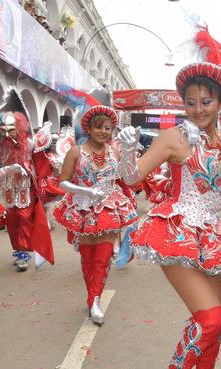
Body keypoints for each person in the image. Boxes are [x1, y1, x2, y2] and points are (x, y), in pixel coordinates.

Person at [117, 25, 221, 369]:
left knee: (216, 328)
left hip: (215, 238)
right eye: (191, 103)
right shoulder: (173, 138)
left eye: (206, 101)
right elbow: (131, 176)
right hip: (178, 232)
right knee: (209, 321)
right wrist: (128, 149)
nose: (199, 109)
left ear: (220, 103)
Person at [53, 105, 138, 325]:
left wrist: (130, 151)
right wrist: (85, 190)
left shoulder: (116, 151)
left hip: (109, 208)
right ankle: (92, 297)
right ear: (88, 129)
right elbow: (62, 181)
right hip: (82, 209)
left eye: (108, 128)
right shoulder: (75, 152)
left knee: (103, 257)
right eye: (98, 127)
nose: (103, 132)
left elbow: (128, 179)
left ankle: (96, 299)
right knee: (87, 258)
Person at [0, 90, 54, 271]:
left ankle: (24, 253)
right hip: (7, 189)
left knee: (25, 218)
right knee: (12, 222)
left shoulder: (28, 144)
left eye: (12, 129)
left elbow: (41, 157)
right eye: (3, 130)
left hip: (26, 187)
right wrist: (9, 169)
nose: (8, 134)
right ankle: (19, 250)